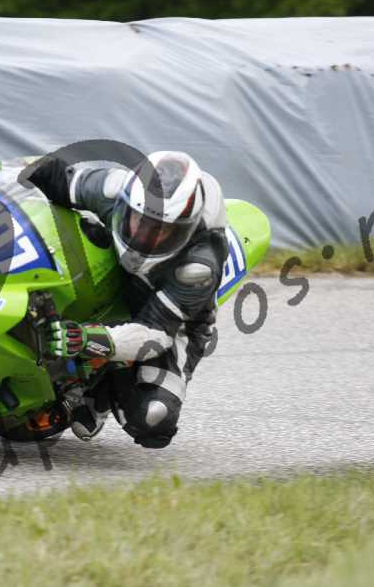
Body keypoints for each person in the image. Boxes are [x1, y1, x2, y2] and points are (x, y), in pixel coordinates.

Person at [22, 150, 230, 448]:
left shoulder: (198, 266)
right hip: (121, 282)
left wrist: (84, 340)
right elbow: (51, 174)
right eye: (138, 220)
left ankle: (103, 386)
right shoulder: (115, 189)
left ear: (184, 229)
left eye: (162, 230)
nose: (145, 235)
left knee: (154, 420)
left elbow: (155, 334)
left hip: (173, 323)